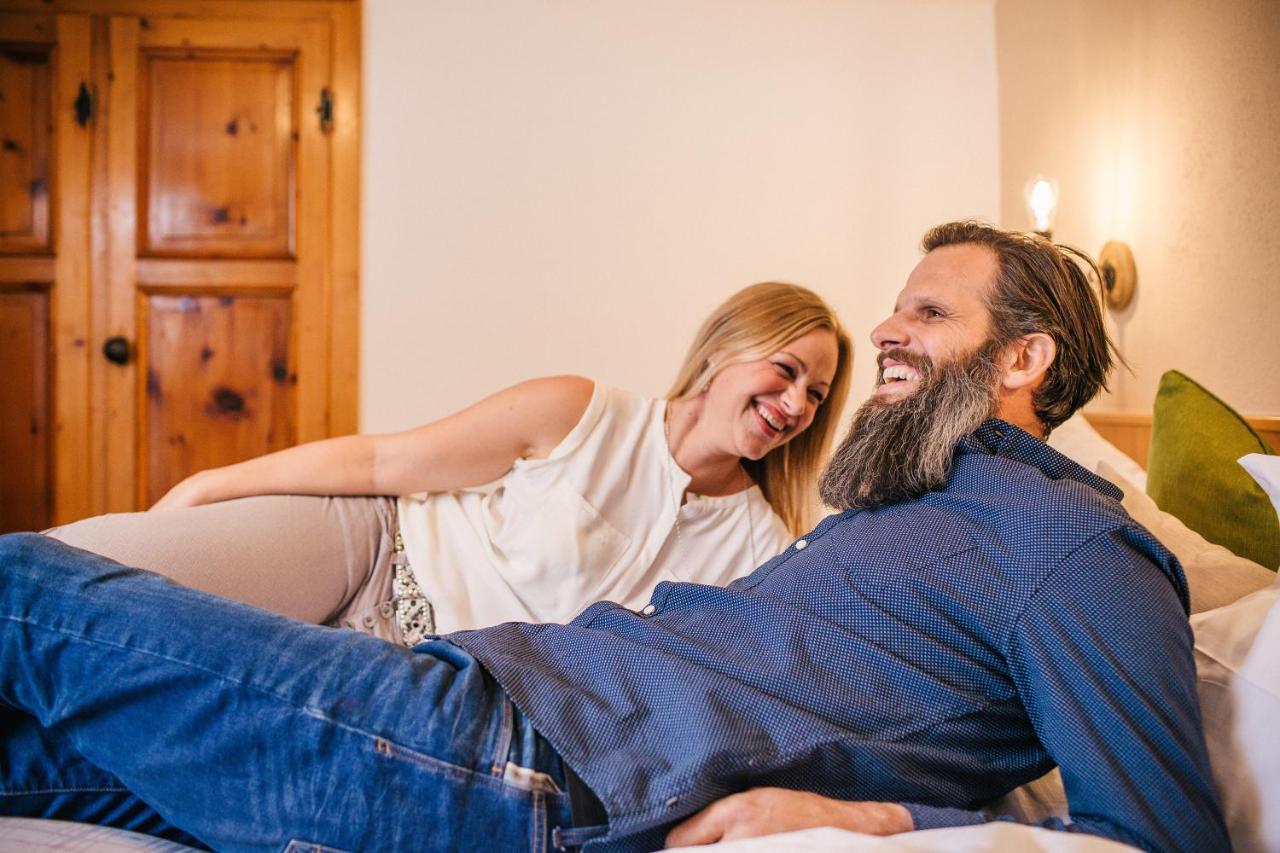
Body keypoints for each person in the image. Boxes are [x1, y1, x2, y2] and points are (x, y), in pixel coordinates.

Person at [0, 222, 1228, 853]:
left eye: (924, 308)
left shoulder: (1073, 545)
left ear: (1024, 358)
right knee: (27, 749)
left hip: (512, 762)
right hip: (473, 701)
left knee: (24, 591)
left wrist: (887, 822)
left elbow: (1151, 834)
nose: (884, 329)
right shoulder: (907, 512)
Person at [43, 282, 851, 643]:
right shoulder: (584, 410)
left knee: (145, 678)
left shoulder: (761, 551)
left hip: (424, 679)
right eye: (785, 370)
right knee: (70, 574)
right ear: (722, 354)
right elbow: (387, 460)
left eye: (816, 395)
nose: (796, 403)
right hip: (368, 549)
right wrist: (215, 482)